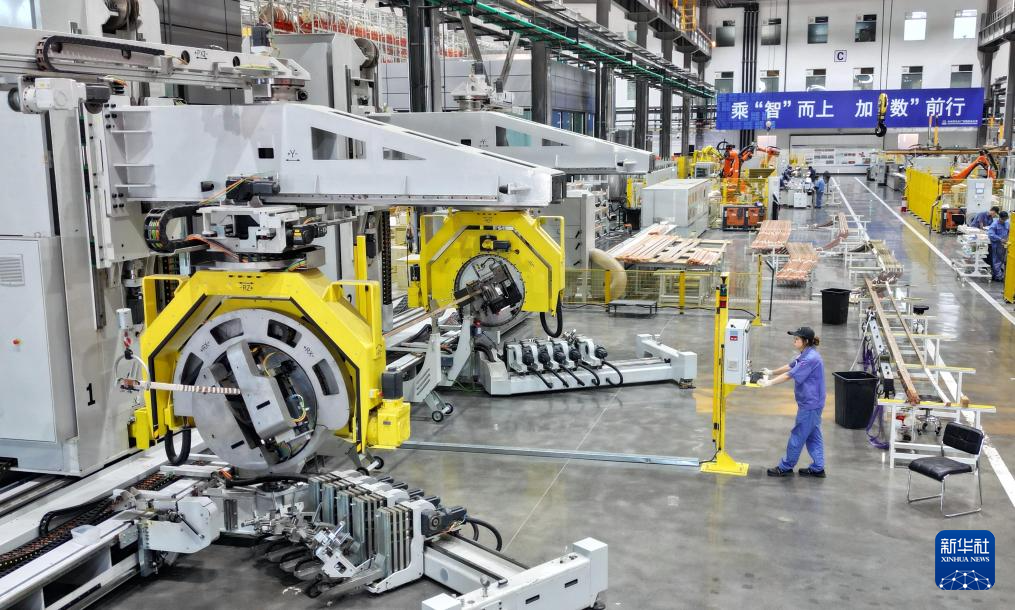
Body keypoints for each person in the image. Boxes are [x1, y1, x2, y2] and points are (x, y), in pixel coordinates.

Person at [757, 327, 826, 478]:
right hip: (813, 403)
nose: (794, 341)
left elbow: (790, 375)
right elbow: (791, 365)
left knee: (798, 434)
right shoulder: (806, 354)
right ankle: (818, 468)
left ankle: (786, 467)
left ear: (805, 341)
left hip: (810, 404)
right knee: (813, 435)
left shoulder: (810, 359)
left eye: (797, 339)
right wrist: (771, 372)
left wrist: (769, 383)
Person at [988, 211, 1010, 281]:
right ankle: (999, 276)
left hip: (1004, 245)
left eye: (1005, 219)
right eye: (1002, 219)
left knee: (1001, 260)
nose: (1004, 221)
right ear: (999, 218)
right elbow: (991, 234)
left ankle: (996, 274)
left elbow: (1009, 231)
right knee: (997, 260)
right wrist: (1000, 239)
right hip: (997, 245)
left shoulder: (1007, 223)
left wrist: (1008, 238)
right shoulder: (994, 224)